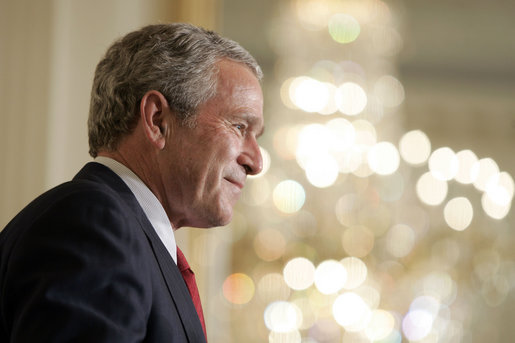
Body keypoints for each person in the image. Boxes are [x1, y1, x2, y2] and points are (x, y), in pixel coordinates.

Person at [0, 23, 264, 342]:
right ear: (157, 121)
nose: (255, 161)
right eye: (239, 126)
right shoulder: (94, 223)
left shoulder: (128, 233)